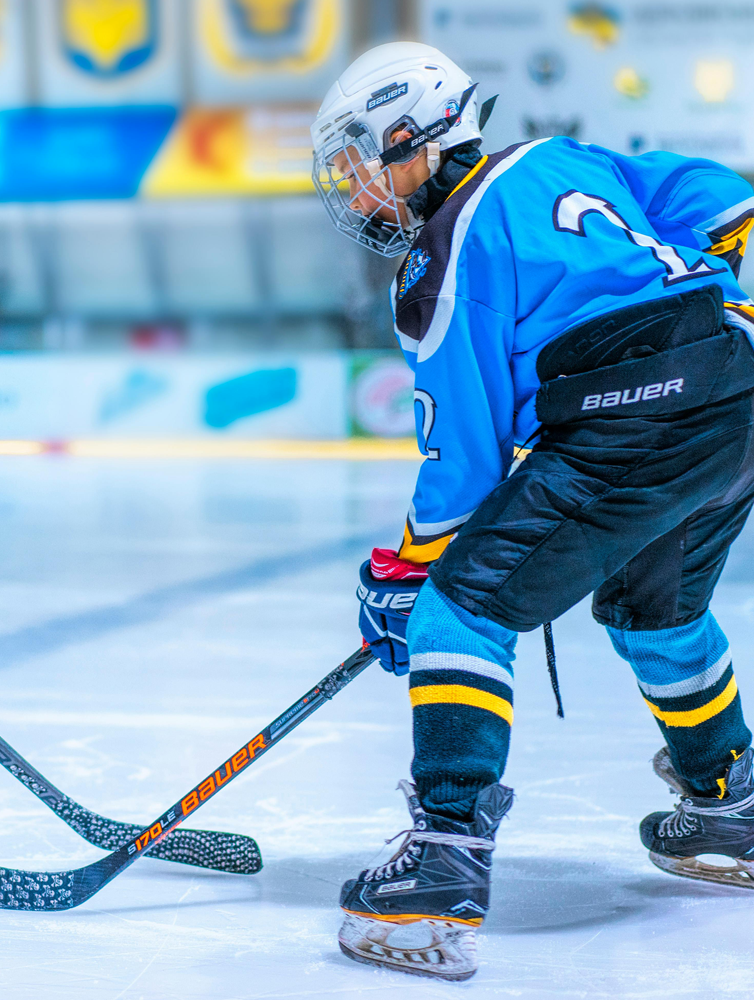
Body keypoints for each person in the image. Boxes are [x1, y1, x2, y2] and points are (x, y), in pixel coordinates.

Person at [311, 41, 754, 981]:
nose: (355, 195)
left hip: (636, 405)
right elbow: (716, 194)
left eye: (360, 165)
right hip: (738, 383)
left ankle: (443, 860)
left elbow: (464, 467)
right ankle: (731, 804)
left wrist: (408, 573)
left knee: (460, 610)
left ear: (414, 139)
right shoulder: (563, 159)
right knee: (657, 608)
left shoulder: (441, 258)